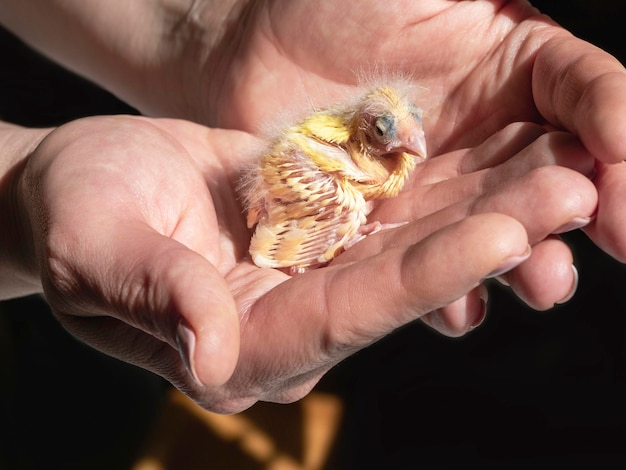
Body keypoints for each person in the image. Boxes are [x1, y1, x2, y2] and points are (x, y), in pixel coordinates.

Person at [0, 0, 622, 414]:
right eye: (390, 134)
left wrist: (216, 29)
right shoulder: (339, 172)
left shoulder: (367, 137)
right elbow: (288, 224)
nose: (409, 144)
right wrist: (17, 192)